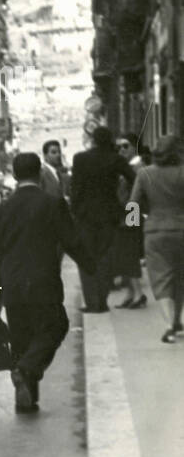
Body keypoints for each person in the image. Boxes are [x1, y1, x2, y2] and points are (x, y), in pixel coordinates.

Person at [0, 152, 93, 413]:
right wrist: (91, 266)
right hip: (43, 282)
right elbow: (71, 241)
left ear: (14, 175)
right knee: (56, 326)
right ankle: (25, 370)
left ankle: (26, 401)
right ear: (40, 174)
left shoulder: (0, 210)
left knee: (22, 341)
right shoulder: (53, 204)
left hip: (12, 285)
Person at [70, 126, 137, 313]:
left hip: (85, 215)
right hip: (110, 214)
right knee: (105, 257)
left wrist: (74, 211)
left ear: (93, 140)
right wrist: (128, 207)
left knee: (86, 258)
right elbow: (135, 179)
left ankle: (92, 302)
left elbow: (75, 188)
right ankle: (102, 301)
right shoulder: (116, 159)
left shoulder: (80, 159)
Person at [129, 135, 184, 342]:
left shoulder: (144, 174)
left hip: (155, 232)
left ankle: (169, 324)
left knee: (161, 278)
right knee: (180, 278)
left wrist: (132, 227)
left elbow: (133, 203)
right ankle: (178, 320)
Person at [111, 138, 146, 309]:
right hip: (123, 215)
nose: (121, 150)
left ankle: (137, 293)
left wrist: (131, 221)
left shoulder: (138, 167)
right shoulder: (125, 167)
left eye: (125, 146)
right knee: (124, 255)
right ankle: (131, 293)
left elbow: (137, 196)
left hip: (130, 216)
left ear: (134, 147)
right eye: (118, 147)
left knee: (129, 254)